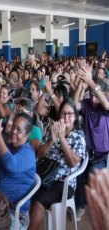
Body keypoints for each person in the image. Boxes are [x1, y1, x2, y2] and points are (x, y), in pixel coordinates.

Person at [28, 100, 86, 230]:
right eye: (63, 113)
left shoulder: (79, 136)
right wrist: (52, 140)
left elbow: (72, 163)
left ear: (75, 117)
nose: (65, 117)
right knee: (28, 191)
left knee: (39, 200)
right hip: (46, 176)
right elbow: (40, 154)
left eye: (69, 114)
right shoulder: (54, 129)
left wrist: (62, 139)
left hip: (64, 182)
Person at [0, 112, 36, 229]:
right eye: (13, 127)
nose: (13, 131)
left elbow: (10, 165)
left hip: (16, 214)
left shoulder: (28, 152)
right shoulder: (8, 147)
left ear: (27, 135)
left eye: (19, 130)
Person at [73, 65, 109, 220]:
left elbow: (106, 104)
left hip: (101, 155)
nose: (94, 96)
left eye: (96, 93)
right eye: (92, 93)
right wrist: (82, 84)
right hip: (87, 153)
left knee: (94, 177)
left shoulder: (105, 104)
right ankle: (80, 206)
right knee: (78, 175)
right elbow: (74, 106)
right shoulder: (87, 103)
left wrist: (91, 82)